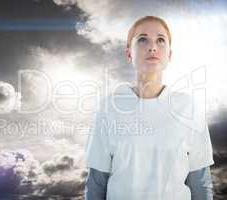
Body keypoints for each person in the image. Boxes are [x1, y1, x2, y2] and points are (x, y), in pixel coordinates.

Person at [85, 16, 214, 200]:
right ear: (129, 53)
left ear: (169, 55)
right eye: (142, 39)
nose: (152, 47)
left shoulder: (189, 108)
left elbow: (200, 182)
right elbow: (96, 183)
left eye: (161, 40)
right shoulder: (108, 109)